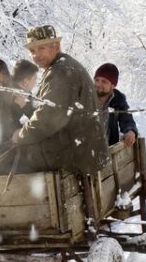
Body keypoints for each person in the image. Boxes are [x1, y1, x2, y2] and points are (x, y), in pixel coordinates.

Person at [9, 26, 109, 175]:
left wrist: (21, 135)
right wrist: (28, 106)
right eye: (32, 51)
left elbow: (47, 119)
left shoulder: (61, 72)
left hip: (77, 153)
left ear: (56, 46)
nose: (36, 55)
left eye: (41, 48)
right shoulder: (62, 66)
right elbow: (50, 107)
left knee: (13, 158)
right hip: (83, 148)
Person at [94, 63, 138, 147]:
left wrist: (130, 131)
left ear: (113, 85)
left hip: (107, 151)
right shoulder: (84, 98)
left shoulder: (118, 100)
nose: (98, 85)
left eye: (104, 82)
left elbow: (126, 118)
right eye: (97, 80)